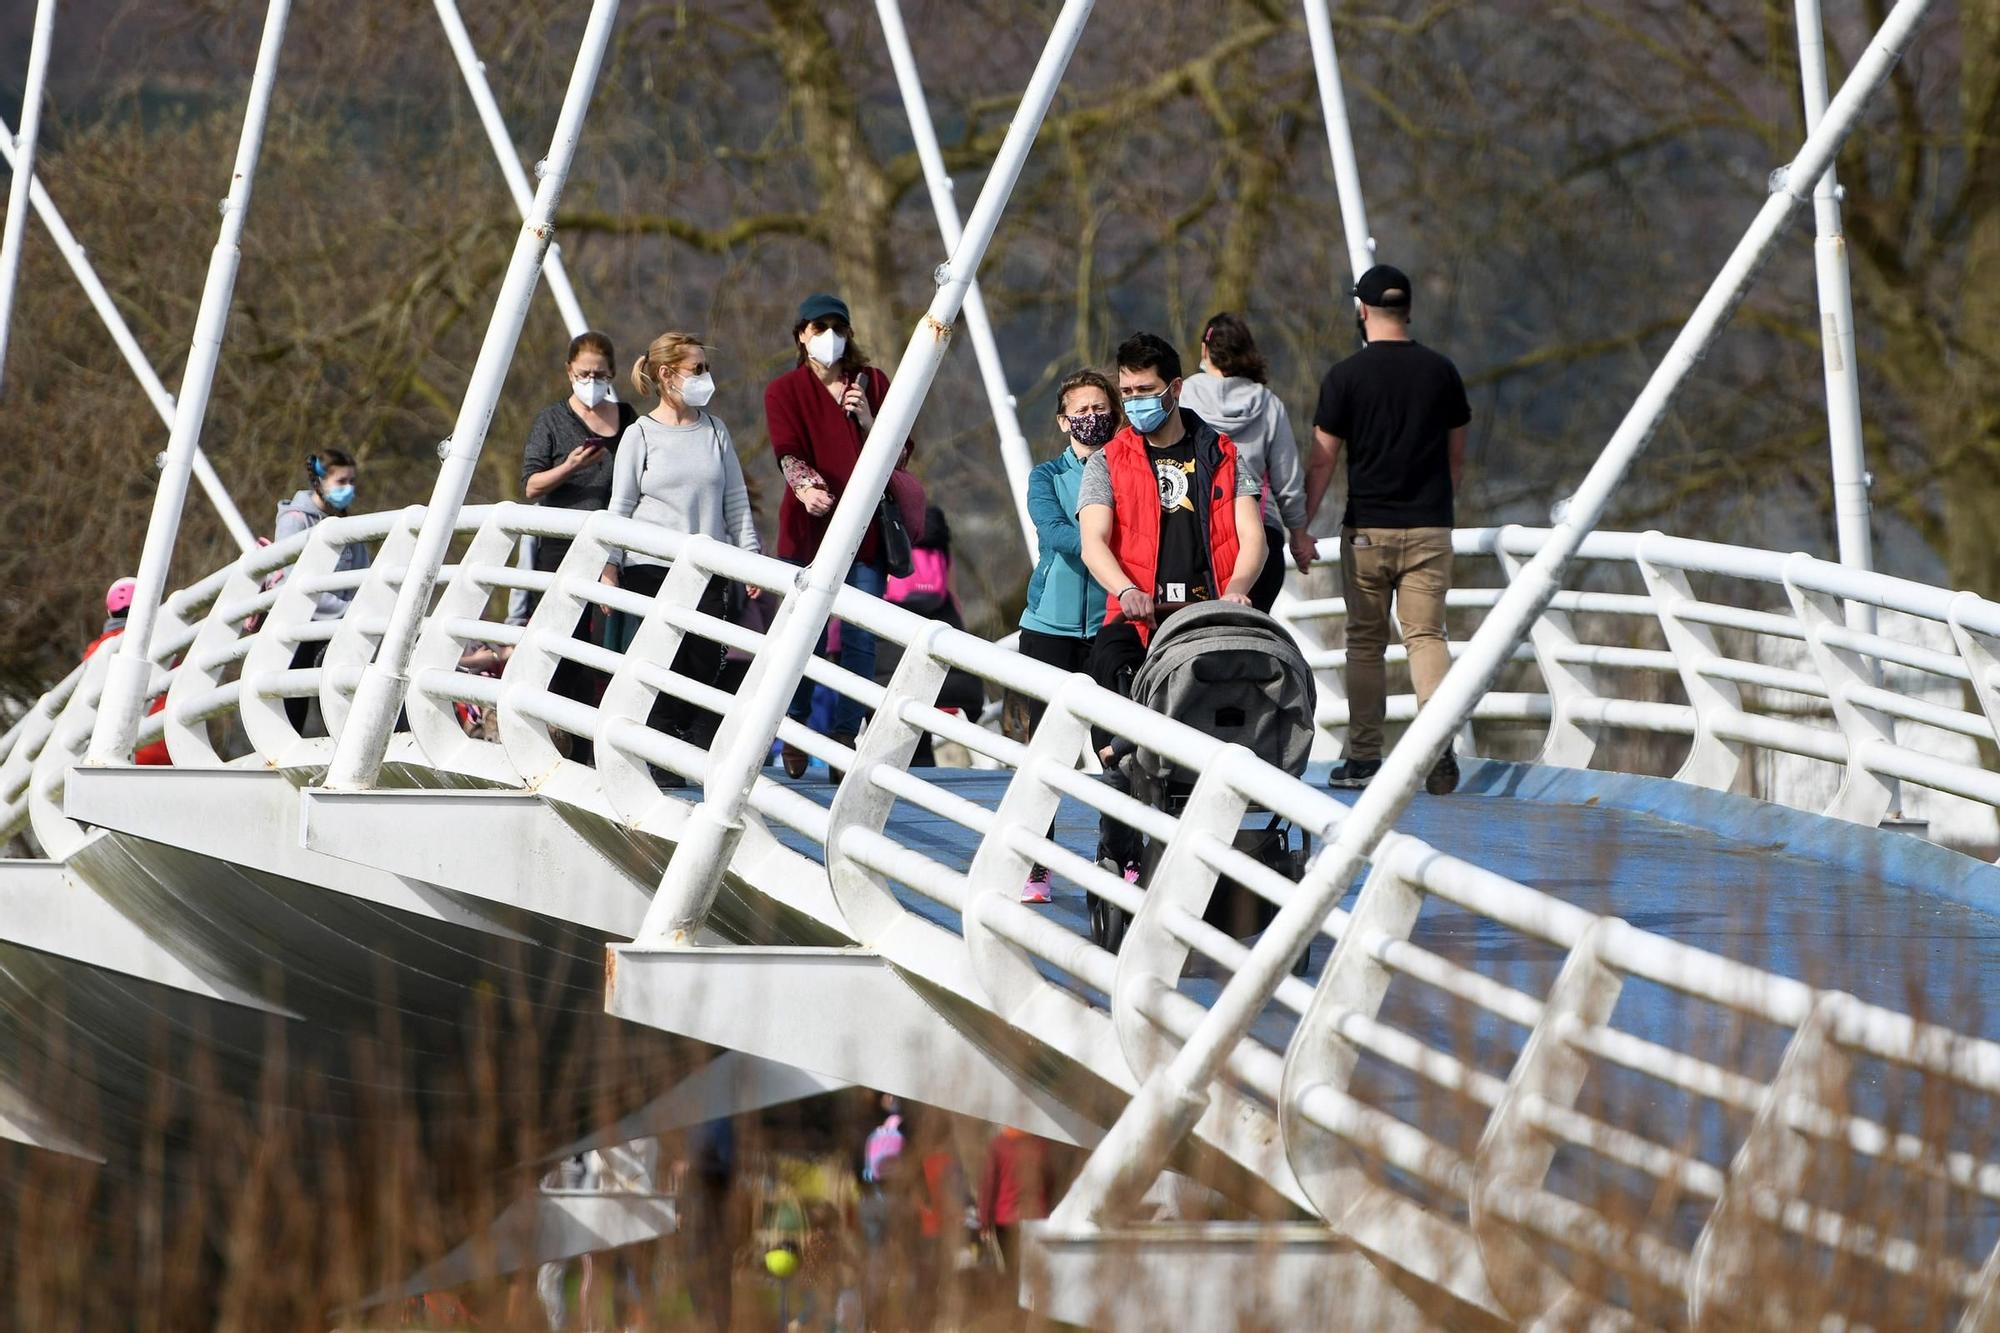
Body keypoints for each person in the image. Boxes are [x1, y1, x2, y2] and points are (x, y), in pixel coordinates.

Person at [1078, 333, 1266, 875]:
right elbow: (1095, 542)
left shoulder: (1224, 453)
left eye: (1146, 389)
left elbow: (1251, 534)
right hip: (1135, 620)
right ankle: (1118, 843)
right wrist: (1126, 590)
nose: (1134, 400)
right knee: (1116, 726)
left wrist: (1238, 588)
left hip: (1211, 618)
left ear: (1175, 389)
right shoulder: (1108, 462)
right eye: (1126, 390)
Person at [1303, 263, 1470, 796]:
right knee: (1426, 636)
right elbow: (1456, 457)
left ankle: (1363, 757)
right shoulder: (1442, 372)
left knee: (1366, 644)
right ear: (1410, 310)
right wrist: (1438, 506)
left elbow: (1323, 462)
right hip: (1429, 526)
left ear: (1363, 310)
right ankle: (1437, 743)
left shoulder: (1346, 377)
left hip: (1367, 530)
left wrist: (1300, 526)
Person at [602, 331, 762, 784]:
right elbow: (620, 506)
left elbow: (735, 500)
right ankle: (659, 743)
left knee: (706, 658)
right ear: (668, 375)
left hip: (707, 566)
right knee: (665, 659)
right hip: (651, 566)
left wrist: (750, 555)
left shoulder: (715, 430)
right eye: (698, 369)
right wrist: (610, 563)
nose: (706, 378)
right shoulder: (639, 435)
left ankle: (683, 738)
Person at [765, 292, 912, 778]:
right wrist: (806, 488)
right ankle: (796, 724)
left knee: (859, 638)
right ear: (801, 334)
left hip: (864, 528)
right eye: (818, 327)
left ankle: (846, 732)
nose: (829, 336)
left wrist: (868, 419)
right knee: (801, 632)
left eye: (838, 327)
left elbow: (901, 452)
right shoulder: (784, 391)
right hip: (808, 526)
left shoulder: (873, 383)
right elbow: (787, 451)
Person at [1005, 368, 1116, 903]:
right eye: (1081, 409)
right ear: (1062, 420)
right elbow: (1054, 533)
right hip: (1048, 628)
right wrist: (1110, 547)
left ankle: (1121, 858)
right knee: (1044, 752)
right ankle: (1036, 866)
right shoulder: (1046, 476)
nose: (1091, 417)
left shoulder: (1129, 467)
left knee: (1117, 748)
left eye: (1100, 406)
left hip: (1112, 625)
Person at [521, 331, 637, 758]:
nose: (592, 381)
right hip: (561, 548)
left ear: (612, 374)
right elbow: (531, 485)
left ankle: (600, 744)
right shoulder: (551, 421)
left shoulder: (628, 419)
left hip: (613, 546)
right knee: (563, 645)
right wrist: (568, 467)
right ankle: (564, 741)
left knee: (606, 649)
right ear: (570, 372)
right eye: (584, 373)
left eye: (601, 374)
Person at [1178, 312, 1313, 612]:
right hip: (1262, 536)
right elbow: (1287, 480)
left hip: (1200, 532)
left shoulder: (1182, 396)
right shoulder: (1267, 404)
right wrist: (1299, 533)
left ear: (1205, 350)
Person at [272, 450, 370, 733]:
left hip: (337, 625)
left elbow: (362, 576)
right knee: (295, 699)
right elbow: (292, 580)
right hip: (302, 625)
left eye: (352, 481)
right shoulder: (294, 520)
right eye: (341, 482)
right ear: (320, 481)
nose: (348, 489)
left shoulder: (348, 524)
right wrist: (345, 612)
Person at [83, 577, 170, 765]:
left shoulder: (96, 653)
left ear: (109, 612)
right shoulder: (166, 646)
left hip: (111, 749)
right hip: (163, 749)